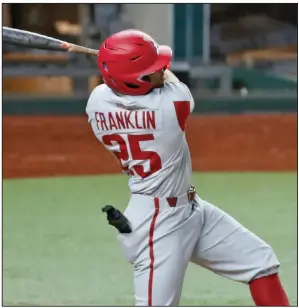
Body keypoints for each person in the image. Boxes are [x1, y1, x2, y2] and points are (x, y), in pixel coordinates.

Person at [86, 29, 290, 306]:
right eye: (152, 69)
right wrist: (137, 63)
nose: (161, 70)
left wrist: (126, 64)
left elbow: (119, 84)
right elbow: (170, 78)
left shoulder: (97, 103)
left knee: (259, 262)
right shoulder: (172, 105)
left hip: (190, 209)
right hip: (158, 224)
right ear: (135, 81)